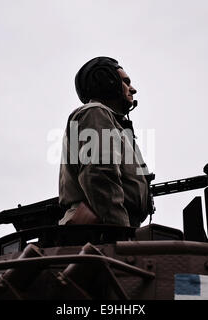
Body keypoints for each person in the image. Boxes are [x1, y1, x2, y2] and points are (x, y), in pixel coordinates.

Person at [58, 57, 151, 227]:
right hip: (100, 230)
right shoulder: (95, 113)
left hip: (105, 228)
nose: (133, 89)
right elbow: (99, 174)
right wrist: (121, 232)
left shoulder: (112, 122)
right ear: (106, 81)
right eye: (126, 82)